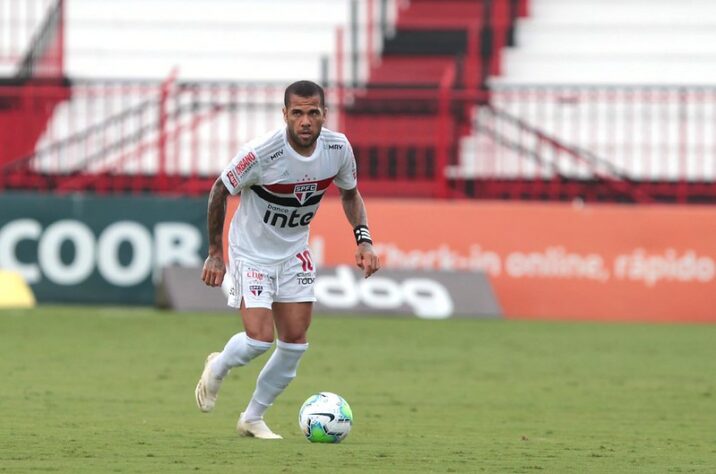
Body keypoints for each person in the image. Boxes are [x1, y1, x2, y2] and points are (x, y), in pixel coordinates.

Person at [195, 80, 380, 439]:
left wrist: (364, 240)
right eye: (298, 113)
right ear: (285, 115)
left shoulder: (338, 148)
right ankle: (217, 366)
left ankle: (252, 418)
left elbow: (350, 194)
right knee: (259, 339)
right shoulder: (262, 153)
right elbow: (220, 188)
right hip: (251, 252)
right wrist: (215, 254)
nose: (306, 121)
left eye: (313, 113)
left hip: (294, 252)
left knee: (295, 341)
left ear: (324, 114)